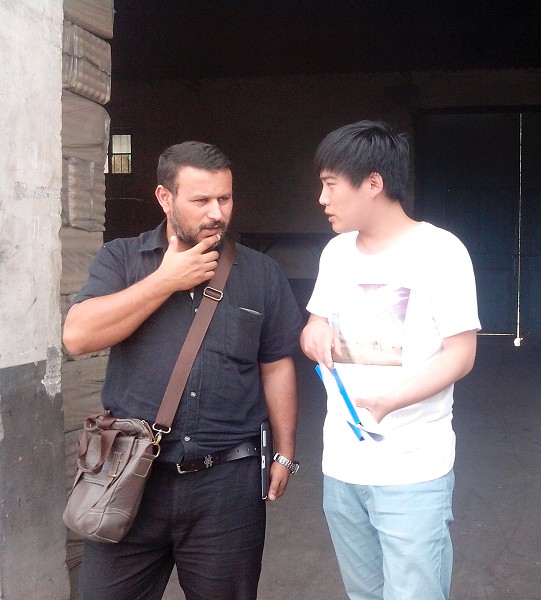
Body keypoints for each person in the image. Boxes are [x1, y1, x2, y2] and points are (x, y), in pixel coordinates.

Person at [63, 141, 303, 600]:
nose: (216, 212)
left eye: (224, 199)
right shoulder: (122, 258)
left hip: (226, 486)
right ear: (165, 197)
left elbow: (275, 365)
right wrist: (164, 280)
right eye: (201, 200)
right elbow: (78, 336)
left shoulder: (261, 273)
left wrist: (286, 452)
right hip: (128, 476)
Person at [300, 120, 481, 599]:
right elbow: (316, 323)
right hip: (342, 465)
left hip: (410, 468)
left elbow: (461, 354)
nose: (322, 198)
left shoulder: (440, 251)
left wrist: (392, 400)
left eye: (331, 185)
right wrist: (314, 332)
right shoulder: (336, 253)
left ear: (373, 183)